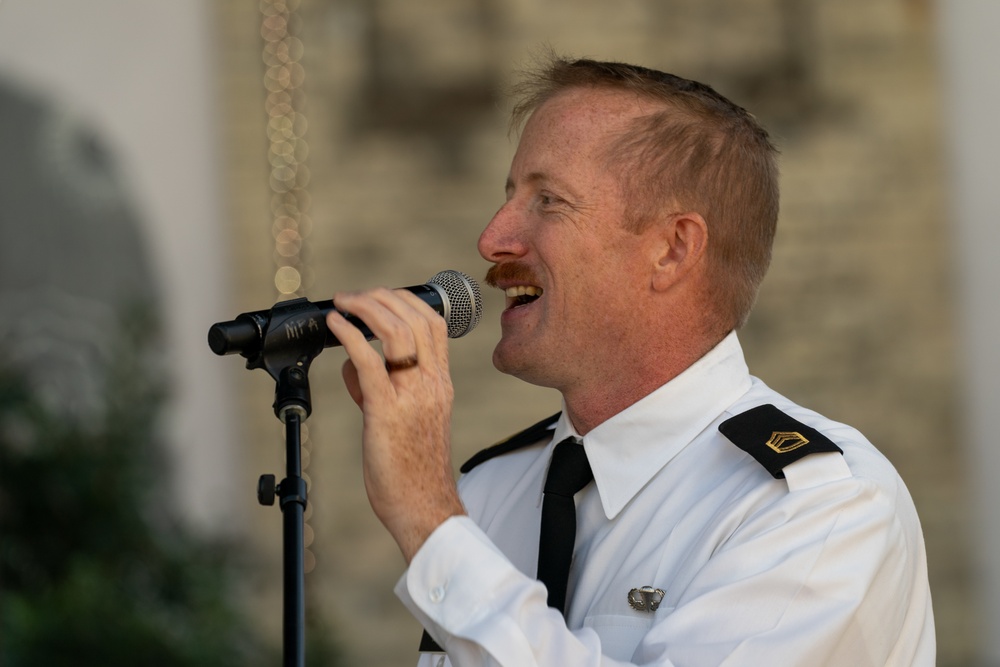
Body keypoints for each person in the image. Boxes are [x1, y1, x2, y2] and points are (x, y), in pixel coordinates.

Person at [324, 56, 935, 666]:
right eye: (509, 196)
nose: (492, 239)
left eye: (549, 201)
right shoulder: (490, 491)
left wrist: (428, 518)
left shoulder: (821, 510)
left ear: (672, 249)